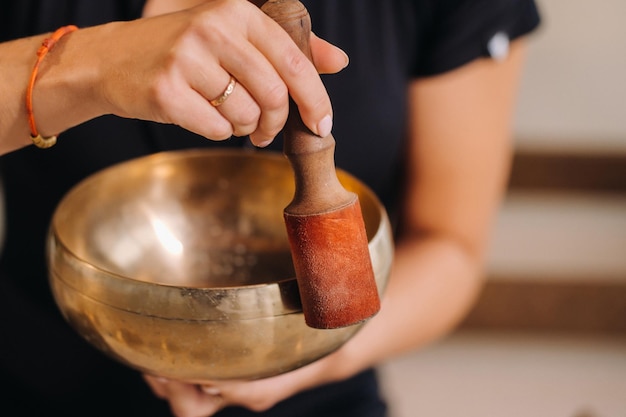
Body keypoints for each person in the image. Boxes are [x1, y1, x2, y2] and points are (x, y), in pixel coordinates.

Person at [0, 0, 540, 416]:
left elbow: (450, 245)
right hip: (43, 383)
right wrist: (87, 64)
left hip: (319, 400)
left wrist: (319, 356)